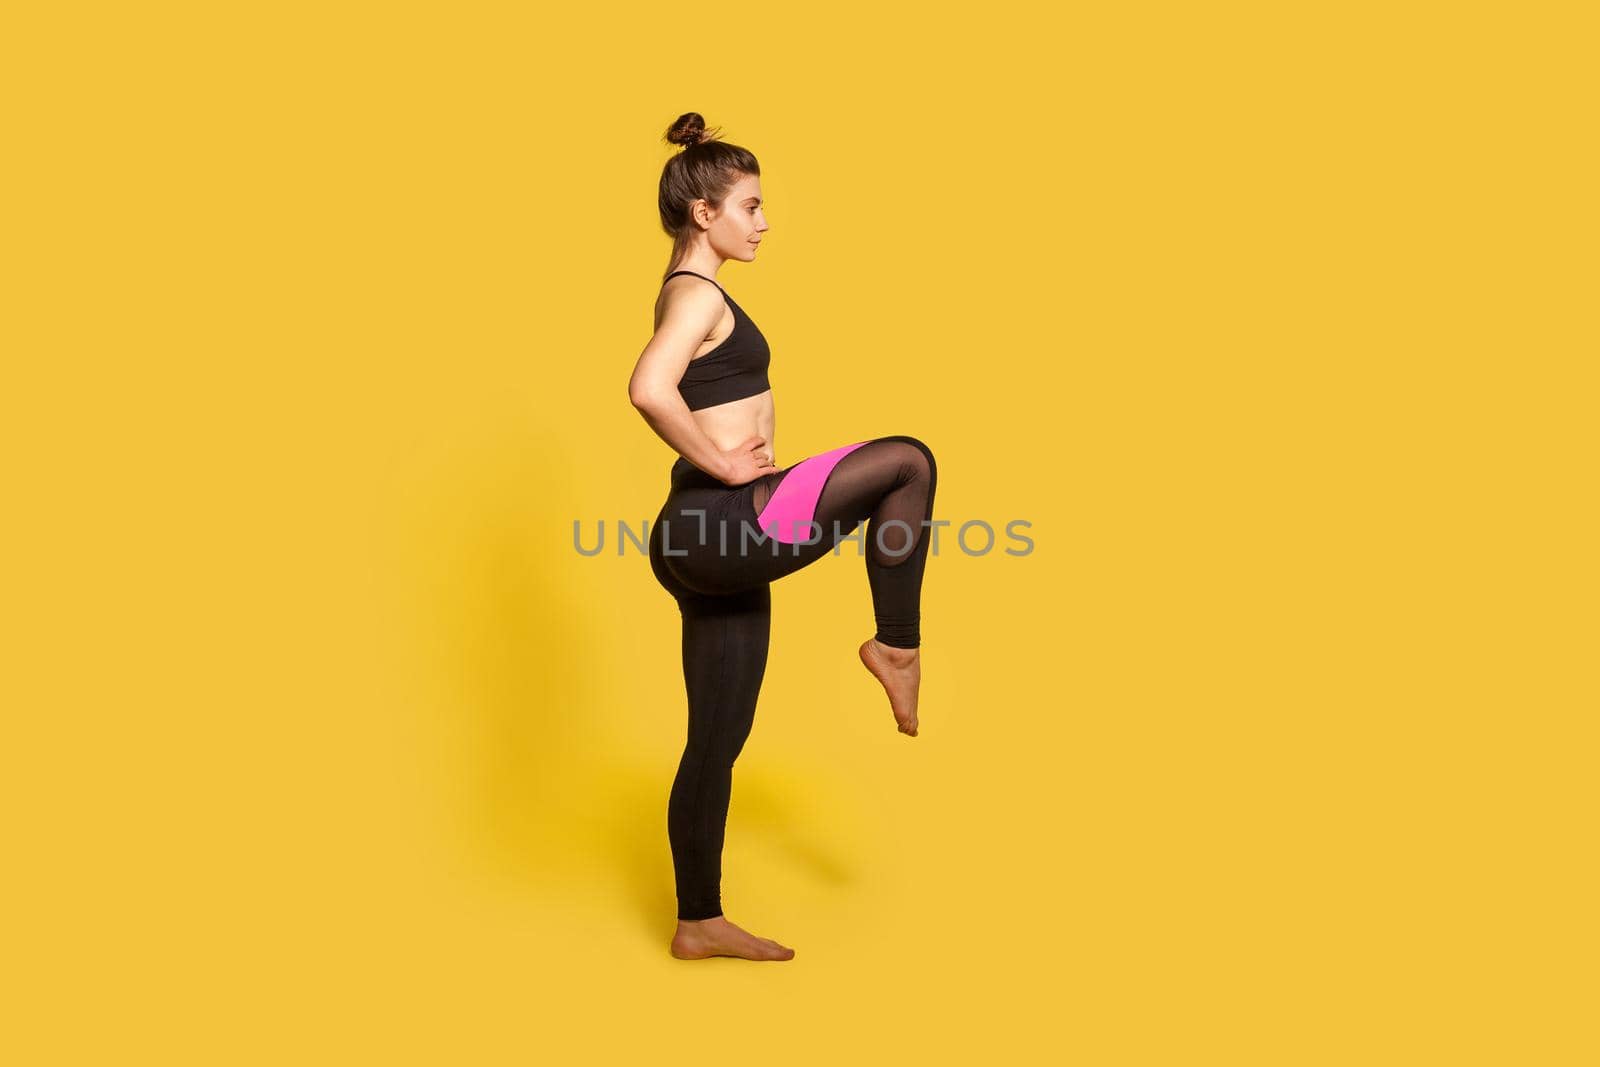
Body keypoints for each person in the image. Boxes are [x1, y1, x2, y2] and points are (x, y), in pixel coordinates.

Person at [628, 112, 939, 962]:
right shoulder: (697, 295)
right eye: (752, 204)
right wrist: (730, 471)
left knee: (717, 737)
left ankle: (697, 920)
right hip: (717, 519)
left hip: (702, 540)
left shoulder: (687, 290)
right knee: (907, 463)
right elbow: (649, 387)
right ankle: (898, 645)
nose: (764, 220)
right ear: (705, 213)